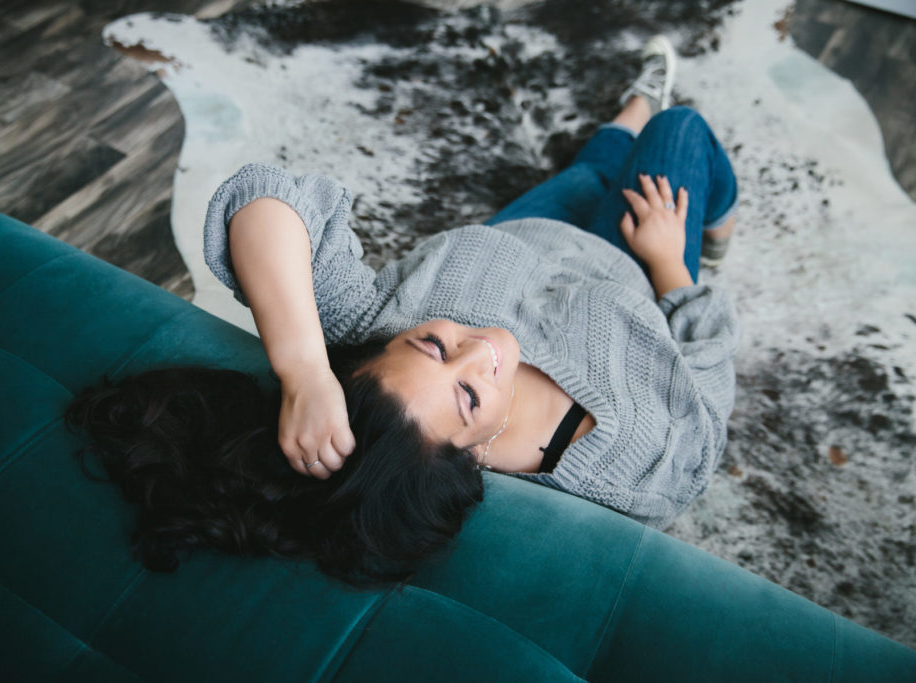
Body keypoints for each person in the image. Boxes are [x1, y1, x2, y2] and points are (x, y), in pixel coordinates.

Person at [67, 35, 739, 584]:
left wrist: (304, 368)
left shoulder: (372, 328)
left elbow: (264, 195)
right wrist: (673, 269)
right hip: (635, 262)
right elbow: (707, 382)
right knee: (678, 134)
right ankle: (710, 211)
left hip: (518, 236)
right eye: (472, 397)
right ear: (470, 460)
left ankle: (628, 110)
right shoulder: (638, 459)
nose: (486, 349)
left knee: (587, 177)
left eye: (434, 346)